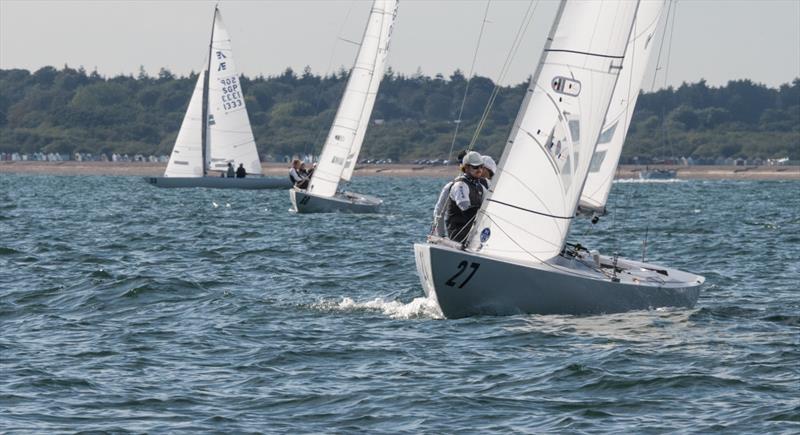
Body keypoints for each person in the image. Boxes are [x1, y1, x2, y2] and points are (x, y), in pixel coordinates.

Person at [445, 151, 485, 243]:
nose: (479, 169)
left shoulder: (480, 186)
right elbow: (466, 210)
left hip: (473, 234)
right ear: (466, 168)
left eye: (481, 166)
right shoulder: (460, 185)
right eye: (475, 167)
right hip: (459, 234)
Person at [431, 150, 468, 237]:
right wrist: (441, 236)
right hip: (460, 235)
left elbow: (438, 211)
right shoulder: (451, 186)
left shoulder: (485, 184)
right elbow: (438, 211)